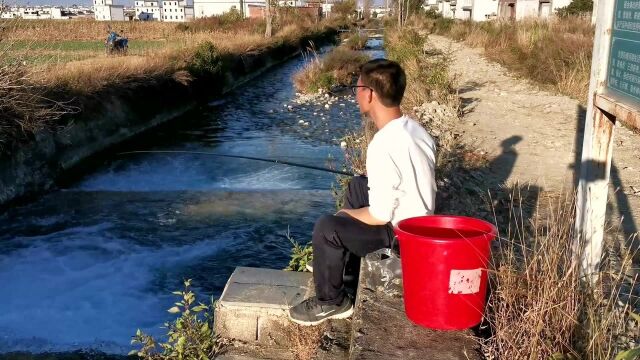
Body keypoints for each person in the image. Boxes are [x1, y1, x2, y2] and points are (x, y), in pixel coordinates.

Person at [288, 59, 437, 326]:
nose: (355, 94)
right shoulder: (415, 130)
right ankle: (344, 269)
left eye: (357, 87)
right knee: (358, 185)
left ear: (370, 94)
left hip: (404, 240)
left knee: (327, 227)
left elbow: (380, 215)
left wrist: (345, 214)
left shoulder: (382, 144)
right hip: (422, 225)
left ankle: (332, 301)